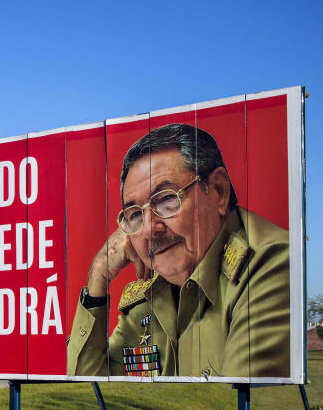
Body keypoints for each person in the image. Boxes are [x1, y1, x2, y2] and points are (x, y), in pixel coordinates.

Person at [67, 123, 290, 378]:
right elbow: (86, 395)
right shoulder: (151, 293)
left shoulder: (269, 262)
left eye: (166, 199)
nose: (150, 229)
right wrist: (98, 278)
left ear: (218, 191)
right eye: (136, 214)